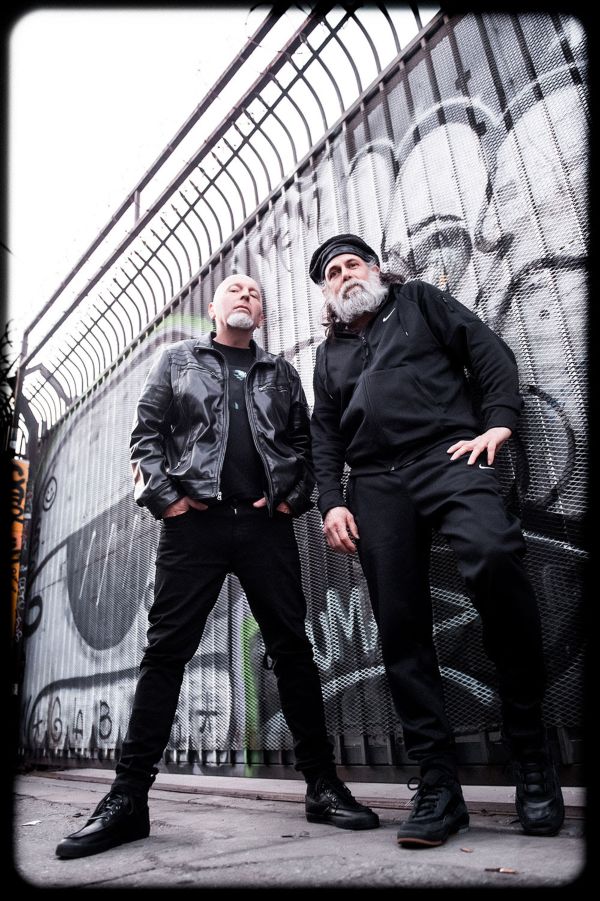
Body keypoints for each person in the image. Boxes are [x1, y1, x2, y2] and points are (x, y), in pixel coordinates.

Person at [55, 272, 379, 859]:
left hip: (265, 527)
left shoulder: (280, 372)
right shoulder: (178, 360)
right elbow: (145, 436)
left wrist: (291, 498)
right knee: (165, 654)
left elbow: (305, 446)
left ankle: (323, 786)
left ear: (262, 313)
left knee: (292, 651)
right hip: (193, 528)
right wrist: (168, 500)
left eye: (254, 293)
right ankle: (128, 799)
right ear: (213, 307)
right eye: (235, 290)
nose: (245, 296)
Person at [308, 233, 565, 848]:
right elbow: (325, 436)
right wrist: (332, 500)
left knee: (495, 556)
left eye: (352, 264)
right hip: (375, 483)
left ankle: (530, 754)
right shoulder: (328, 356)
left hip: (447, 455)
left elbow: (488, 351)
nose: (345, 275)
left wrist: (498, 423)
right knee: (399, 625)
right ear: (326, 292)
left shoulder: (420, 301)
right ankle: (439, 785)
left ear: (376, 270)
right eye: (332, 273)